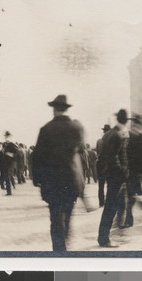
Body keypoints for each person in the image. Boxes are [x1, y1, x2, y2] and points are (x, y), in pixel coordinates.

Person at [32, 95, 84, 252]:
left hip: (52, 182)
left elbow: (37, 156)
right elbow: (79, 153)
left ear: (54, 109)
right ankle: (65, 243)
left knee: (55, 219)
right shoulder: (75, 128)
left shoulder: (46, 129)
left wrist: (37, 179)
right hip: (70, 181)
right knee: (67, 214)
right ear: (66, 109)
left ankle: (58, 249)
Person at [97, 109, 129, 247]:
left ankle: (104, 236)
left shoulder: (109, 133)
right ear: (126, 121)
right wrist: (122, 170)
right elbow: (114, 156)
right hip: (116, 176)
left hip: (110, 175)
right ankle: (103, 238)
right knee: (111, 207)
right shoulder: (117, 135)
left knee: (113, 206)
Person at [121, 113, 142, 227]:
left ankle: (129, 218)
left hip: (131, 169)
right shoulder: (140, 136)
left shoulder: (131, 135)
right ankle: (130, 216)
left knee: (130, 194)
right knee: (130, 194)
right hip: (134, 170)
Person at [96, 124, 111, 207]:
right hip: (108, 164)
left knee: (101, 185)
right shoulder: (110, 140)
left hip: (100, 164)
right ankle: (108, 202)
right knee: (109, 184)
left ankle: (101, 203)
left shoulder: (99, 141)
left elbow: (98, 152)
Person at [3, 131, 18, 195]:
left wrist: (9, 154)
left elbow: (17, 153)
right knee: (7, 176)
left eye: (7, 136)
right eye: (6, 136)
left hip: (10, 163)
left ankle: (9, 192)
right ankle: (8, 191)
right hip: (6, 162)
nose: (6, 137)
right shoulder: (5, 144)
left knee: (8, 176)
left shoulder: (12, 144)